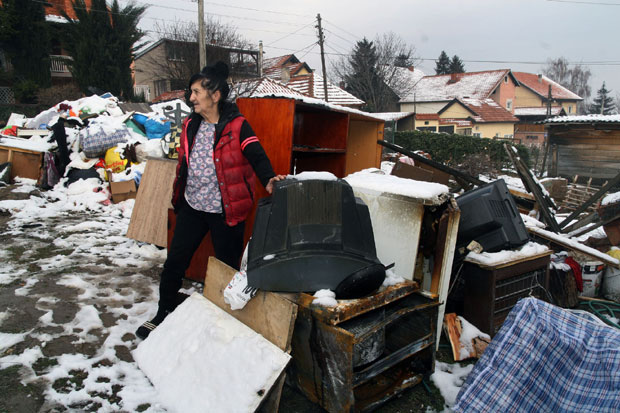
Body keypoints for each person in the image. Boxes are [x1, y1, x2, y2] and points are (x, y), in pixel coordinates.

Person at [136, 62, 285, 339]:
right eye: (191, 92)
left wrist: (268, 178)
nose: (190, 97)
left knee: (227, 269)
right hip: (193, 206)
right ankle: (163, 311)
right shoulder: (190, 124)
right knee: (175, 261)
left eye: (196, 92)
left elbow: (256, 154)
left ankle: (226, 319)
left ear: (215, 95)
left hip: (226, 211)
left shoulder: (237, 125)